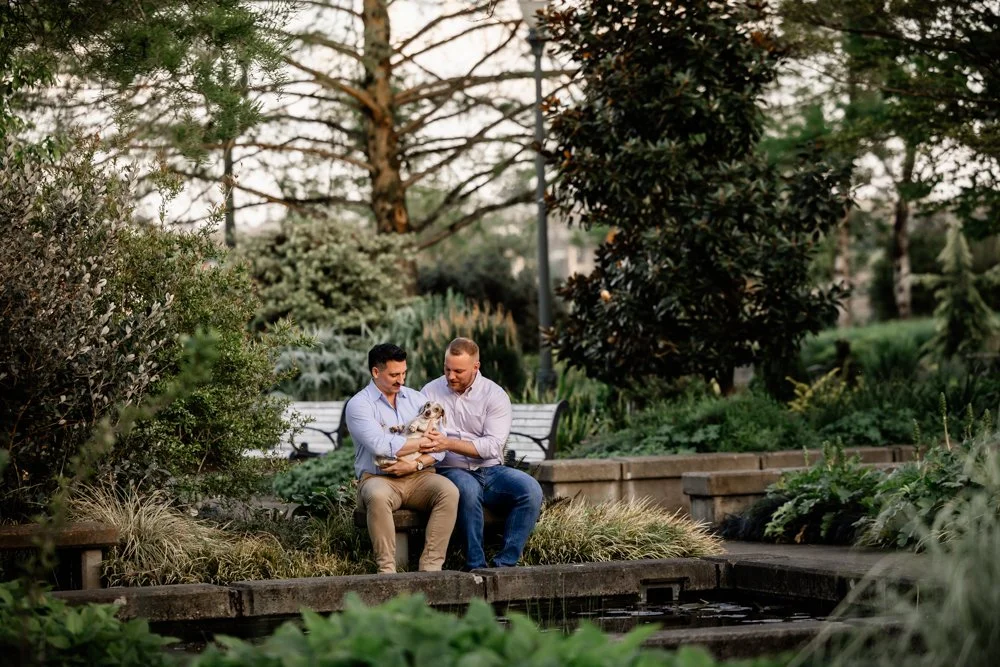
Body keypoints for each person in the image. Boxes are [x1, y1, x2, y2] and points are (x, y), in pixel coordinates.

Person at [420, 337, 543, 570]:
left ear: (476, 367)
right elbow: (424, 437)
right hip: (450, 469)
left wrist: (448, 443)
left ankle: (505, 564)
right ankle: (476, 566)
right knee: (468, 489)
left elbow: (492, 447)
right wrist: (442, 445)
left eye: (458, 371)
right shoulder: (429, 392)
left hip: (491, 470)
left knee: (530, 490)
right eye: (447, 369)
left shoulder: (494, 395)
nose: (451, 376)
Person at [345, 343, 458, 573]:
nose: (401, 380)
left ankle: (431, 569)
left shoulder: (417, 399)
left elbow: (440, 446)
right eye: (394, 375)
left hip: (418, 476)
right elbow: (380, 445)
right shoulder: (359, 405)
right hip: (378, 478)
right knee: (377, 495)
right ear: (375, 372)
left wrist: (416, 463)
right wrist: (421, 443)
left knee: (449, 492)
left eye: (404, 373)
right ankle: (387, 571)